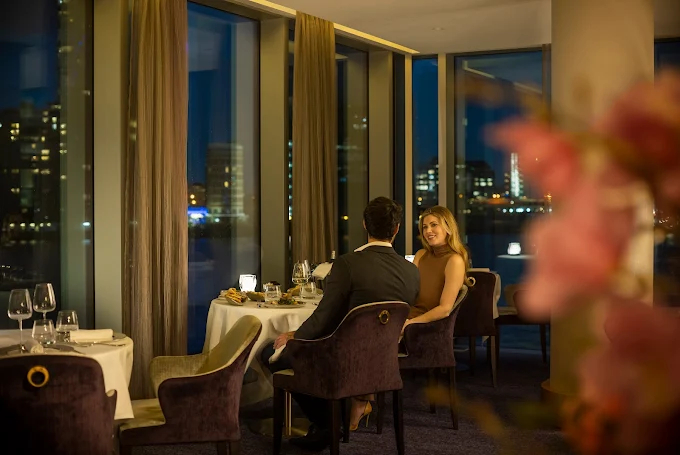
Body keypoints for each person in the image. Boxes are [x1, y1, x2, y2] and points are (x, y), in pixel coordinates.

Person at [261, 197, 419, 451]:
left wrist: (294, 336)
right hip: (384, 360)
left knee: (271, 353)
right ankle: (333, 419)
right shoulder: (411, 271)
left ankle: (327, 423)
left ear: (364, 224)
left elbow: (324, 318)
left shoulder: (347, 264)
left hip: (342, 359)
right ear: (397, 229)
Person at [403, 205, 472, 334]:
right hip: (405, 316)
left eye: (434, 225)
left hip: (424, 325)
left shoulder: (454, 261)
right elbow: (407, 291)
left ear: (448, 228)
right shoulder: (421, 255)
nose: (428, 231)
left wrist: (410, 323)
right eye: (425, 227)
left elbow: (445, 309)